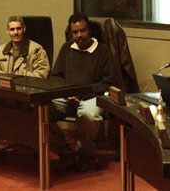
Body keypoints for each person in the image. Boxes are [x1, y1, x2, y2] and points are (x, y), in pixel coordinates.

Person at [0, 16, 51, 168]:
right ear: (7, 31)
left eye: (18, 29)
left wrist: (15, 78)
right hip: (6, 94)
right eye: (12, 29)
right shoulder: (2, 49)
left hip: (27, 97)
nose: (15, 32)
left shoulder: (36, 49)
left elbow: (42, 75)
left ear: (24, 29)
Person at [49, 13, 120, 172]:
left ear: (89, 30)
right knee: (40, 111)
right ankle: (64, 151)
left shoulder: (103, 51)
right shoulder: (67, 49)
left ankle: (85, 154)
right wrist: (67, 93)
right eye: (75, 32)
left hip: (92, 97)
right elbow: (55, 77)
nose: (79, 35)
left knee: (89, 116)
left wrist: (81, 94)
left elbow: (108, 83)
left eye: (83, 31)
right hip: (67, 97)